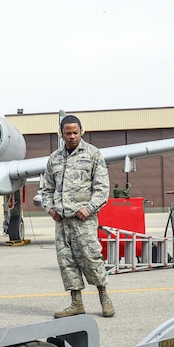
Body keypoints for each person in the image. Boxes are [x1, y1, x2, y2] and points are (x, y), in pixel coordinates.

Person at [38, 115, 114, 318]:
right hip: (62, 222)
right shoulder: (54, 158)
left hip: (84, 220)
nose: (72, 136)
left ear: (82, 131)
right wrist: (50, 208)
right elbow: (46, 189)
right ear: (61, 134)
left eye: (75, 132)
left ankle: (104, 297)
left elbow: (102, 188)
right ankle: (76, 302)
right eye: (67, 133)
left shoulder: (93, 154)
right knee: (67, 262)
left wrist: (89, 208)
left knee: (91, 259)